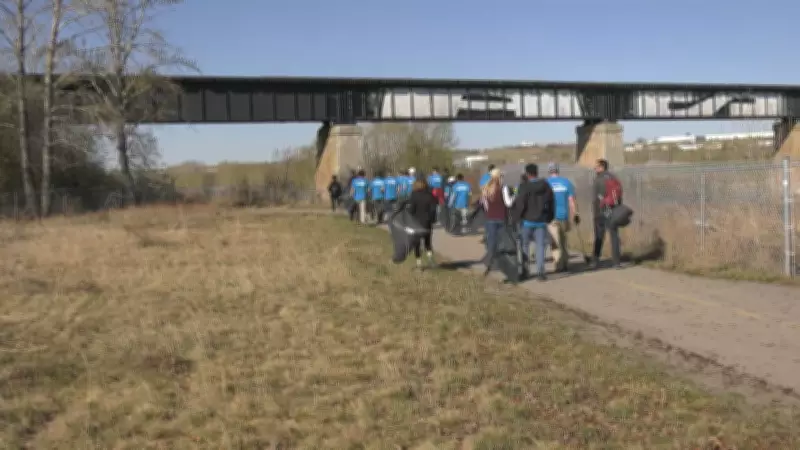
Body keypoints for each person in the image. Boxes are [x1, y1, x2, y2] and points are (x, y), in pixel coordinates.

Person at [512, 163, 555, 281]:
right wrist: (549, 217)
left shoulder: (524, 186)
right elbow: (551, 202)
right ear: (537, 172)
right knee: (540, 246)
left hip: (527, 221)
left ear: (527, 173)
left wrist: (515, 218)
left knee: (524, 246)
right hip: (541, 221)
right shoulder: (545, 185)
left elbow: (520, 204)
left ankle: (525, 272)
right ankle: (541, 273)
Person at [546, 163, 580, 272]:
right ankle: (565, 262)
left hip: (551, 217)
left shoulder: (546, 183)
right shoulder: (566, 182)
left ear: (549, 171)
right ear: (558, 170)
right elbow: (571, 201)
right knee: (563, 240)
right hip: (564, 215)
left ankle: (559, 264)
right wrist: (575, 213)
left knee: (555, 242)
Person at [399, 178, 438, 270]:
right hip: (427, 222)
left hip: (416, 223)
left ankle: (419, 263)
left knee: (417, 244)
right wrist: (432, 220)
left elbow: (411, 210)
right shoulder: (430, 196)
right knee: (427, 242)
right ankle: (431, 260)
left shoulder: (414, 195)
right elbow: (433, 210)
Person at [480, 168, 513, 275]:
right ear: (499, 176)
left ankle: (490, 261)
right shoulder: (503, 188)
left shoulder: (486, 188)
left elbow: (484, 204)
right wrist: (514, 197)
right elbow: (508, 203)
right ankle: (501, 262)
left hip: (490, 217)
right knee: (502, 241)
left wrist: (490, 211)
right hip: (501, 217)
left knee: (492, 240)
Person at [592, 158, 622, 269]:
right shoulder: (614, 177)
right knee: (614, 235)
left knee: (599, 235)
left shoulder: (598, 179)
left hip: (601, 210)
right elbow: (619, 195)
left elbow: (595, 198)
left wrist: (595, 213)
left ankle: (595, 260)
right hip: (613, 210)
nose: (595, 168)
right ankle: (616, 262)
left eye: (596, 167)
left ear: (602, 167)